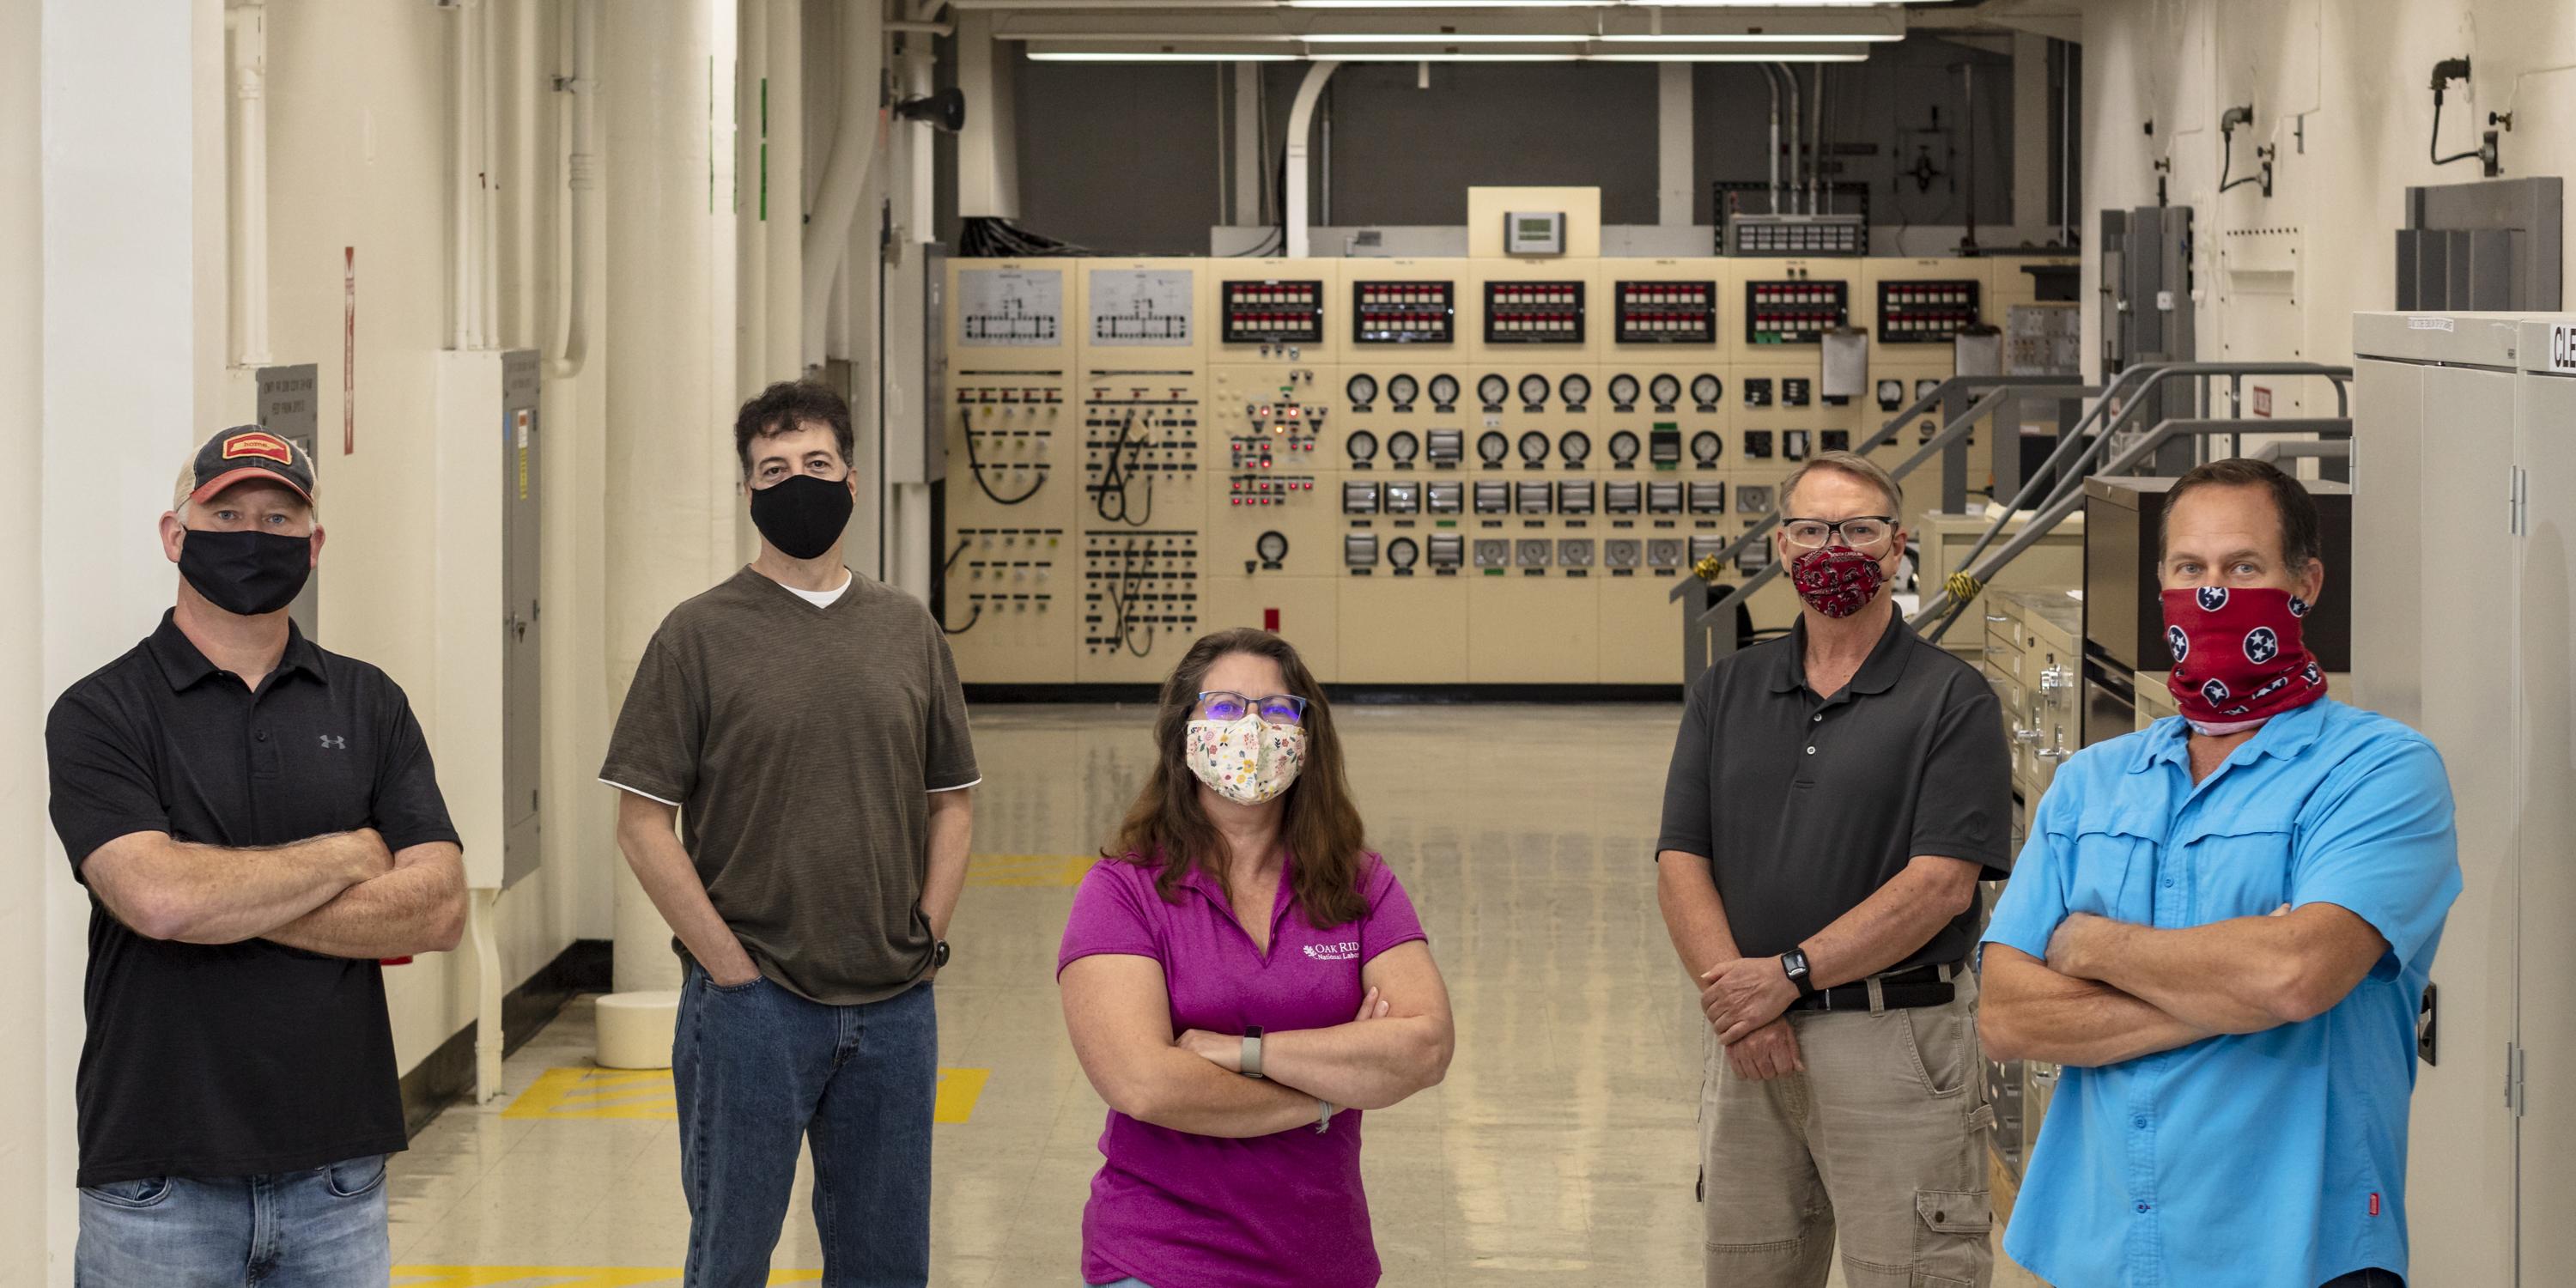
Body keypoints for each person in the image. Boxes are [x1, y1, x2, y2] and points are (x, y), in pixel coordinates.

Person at [1978, 459, 2460, 1288]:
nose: (2212, 593)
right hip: (2097, 1254)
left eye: (2244, 568)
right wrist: (2231, 989)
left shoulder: (2381, 773)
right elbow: (2006, 1016)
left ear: (2305, 583)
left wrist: (2090, 945)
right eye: (2188, 570)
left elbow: (2294, 975)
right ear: (2160, 583)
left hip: (2299, 1256)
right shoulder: (2093, 782)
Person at [45, 427, 467, 1286]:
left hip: (337, 1175)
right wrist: (352, 852)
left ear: (313, 547)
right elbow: (159, 901)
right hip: (158, 1178)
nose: (253, 534)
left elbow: (439, 907)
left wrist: (228, 898)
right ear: (175, 534)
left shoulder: (370, 701)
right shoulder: (102, 712)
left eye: (280, 519)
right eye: (226, 511)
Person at [600, 381, 979, 1288]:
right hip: (752, 1011)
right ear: (747, 494)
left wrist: (924, 937)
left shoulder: (908, 629)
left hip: (894, 1006)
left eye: (815, 464)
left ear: (851, 480)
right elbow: (643, 823)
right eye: (773, 470)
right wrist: (729, 968)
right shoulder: (695, 636)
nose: (796, 483)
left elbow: (953, 800)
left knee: (887, 1264)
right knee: (731, 1258)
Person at [1655, 450, 2014, 1288]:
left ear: (1896, 550)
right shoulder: (1727, 690)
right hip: (1749, 1047)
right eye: (1812, 530)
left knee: (1910, 1271)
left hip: (1893, 1043)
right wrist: (1746, 1006)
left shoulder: (1953, 699)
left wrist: (1789, 975)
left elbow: (1941, 884)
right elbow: (1681, 860)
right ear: (1781, 548)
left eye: (1857, 531)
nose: (1833, 550)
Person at [1056, 628, 1455, 1288]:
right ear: (1184, 732)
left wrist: (1242, 1051)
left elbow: (1425, 1049)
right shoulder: (1121, 890)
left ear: (1307, 736)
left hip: (1324, 1258)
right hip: (1159, 1255)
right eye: (1224, 707)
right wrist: (1332, 1092)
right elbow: (1143, 1083)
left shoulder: (1358, 883)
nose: (1252, 729)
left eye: (1277, 710)